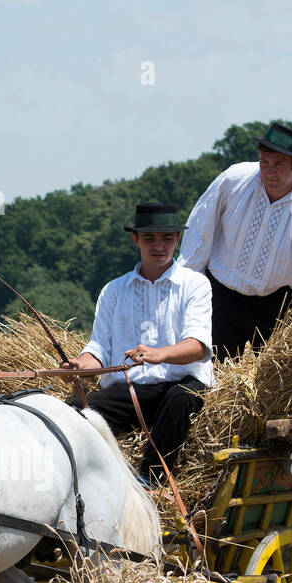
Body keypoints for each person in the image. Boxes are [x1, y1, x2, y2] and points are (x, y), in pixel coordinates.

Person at [60, 202, 213, 485]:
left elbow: (198, 346)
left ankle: (149, 483)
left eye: (167, 238)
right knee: (73, 414)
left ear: (177, 239)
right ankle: (76, 484)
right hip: (133, 391)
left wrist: (160, 354)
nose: (159, 246)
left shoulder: (195, 285)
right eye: (150, 238)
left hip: (181, 383)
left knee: (179, 399)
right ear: (135, 239)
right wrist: (80, 366)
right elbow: (99, 349)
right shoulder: (114, 290)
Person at [178, 122, 292, 360]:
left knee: (282, 381)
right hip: (221, 296)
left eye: (277, 164)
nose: (269, 171)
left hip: (276, 304)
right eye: (264, 162)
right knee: (208, 374)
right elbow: (200, 230)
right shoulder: (233, 180)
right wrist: (186, 285)